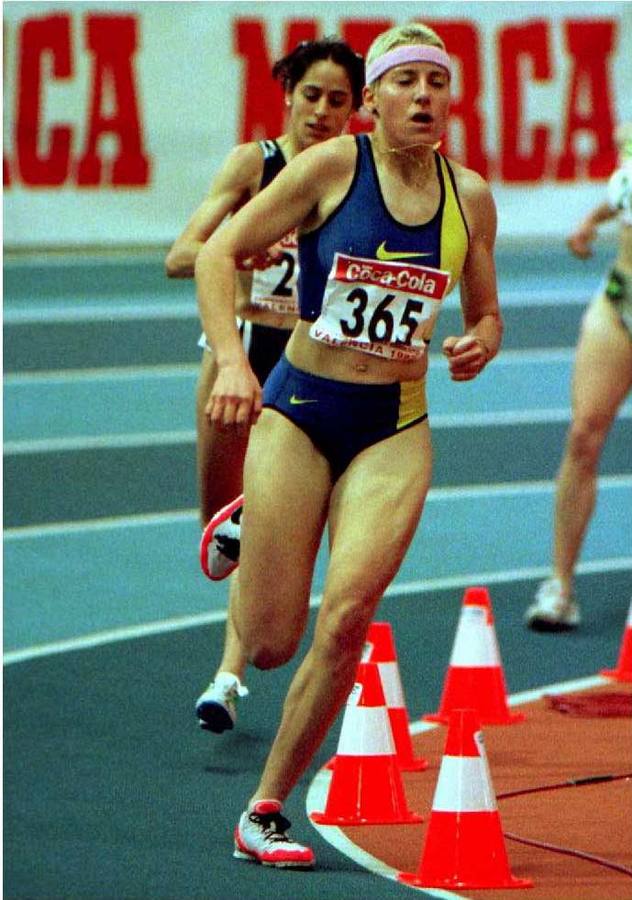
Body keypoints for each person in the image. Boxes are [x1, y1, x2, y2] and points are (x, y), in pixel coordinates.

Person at [195, 21, 502, 868]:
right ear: (373, 102)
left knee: (349, 617)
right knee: (268, 641)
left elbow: (485, 309)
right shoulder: (334, 166)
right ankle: (252, 514)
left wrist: (482, 337)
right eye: (405, 82)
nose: (423, 98)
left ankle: (265, 808)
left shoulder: (468, 195)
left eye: (436, 84)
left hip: (394, 425)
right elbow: (219, 252)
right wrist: (230, 360)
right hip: (297, 411)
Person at [165, 39, 365, 732]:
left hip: (306, 365)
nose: (322, 111)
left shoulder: (353, 176)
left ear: (356, 108)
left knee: (269, 525)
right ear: (288, 95)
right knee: (223, 529)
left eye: (339, 100)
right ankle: (235, 642)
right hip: (237, 351)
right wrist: (240, 249)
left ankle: (227, 676)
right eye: (312, 95)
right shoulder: (256, 165)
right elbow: (180, 255)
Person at [525, 122, 632, 631]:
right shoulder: (630, 135)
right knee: (584, 435)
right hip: (620, 302)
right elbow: (624, 194)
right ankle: (561, 586)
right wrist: (591, 219)